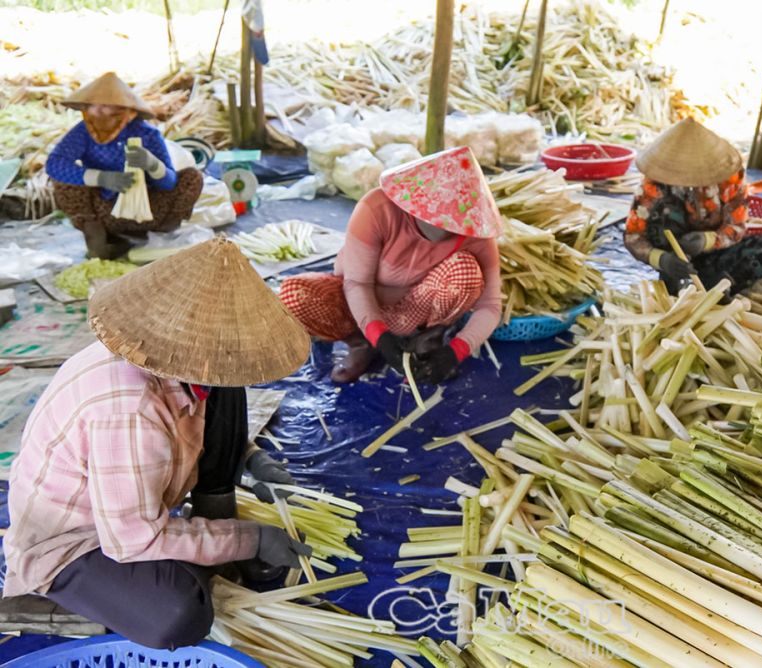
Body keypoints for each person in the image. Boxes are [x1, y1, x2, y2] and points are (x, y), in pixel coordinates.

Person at [3, 238, 313, 649]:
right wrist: (249, 538)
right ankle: (191, 562)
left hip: (134, 509)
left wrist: (251, 459)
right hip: (77, 542)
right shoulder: (130, 409)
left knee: (227, 390)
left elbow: (203, 426)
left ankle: (206, 536)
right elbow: (133, 540)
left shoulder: (173, 360)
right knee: (179, 613)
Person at [280, 146, 502, 384]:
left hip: (418, 310)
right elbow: (357, 283)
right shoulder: (378, 210)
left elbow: (490, 306)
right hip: (360, 302)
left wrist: (455, 352)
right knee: (295, 293)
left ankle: (427, 340)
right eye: (436, 217)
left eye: (453, 221)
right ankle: (361, 343)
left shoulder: (473, 230)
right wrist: (379, 336)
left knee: (466, 271)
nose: (445, 226)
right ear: (416, 203)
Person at [624, 118, 762, 295]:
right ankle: (677, 281)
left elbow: (736, 227)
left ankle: (720, 287)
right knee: (664, 213)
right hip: (675, 259)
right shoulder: (653, 183)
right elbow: (633, 236)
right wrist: (661, 260)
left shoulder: (729, 178)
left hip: (716, 256)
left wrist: (706, 240)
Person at [46, 72, 204, 260]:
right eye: (93, 108)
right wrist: (101, 178)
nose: (97, 114)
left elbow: (169, 183)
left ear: (127, 113)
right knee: (63, 181)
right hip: (105, 210)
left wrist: (152, 165)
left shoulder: (147, 134)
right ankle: (98, 237)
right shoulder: (84, 133)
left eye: (105, 109)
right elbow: (55, 163)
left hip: (150, 211)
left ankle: (161, 235)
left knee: (192, 178)